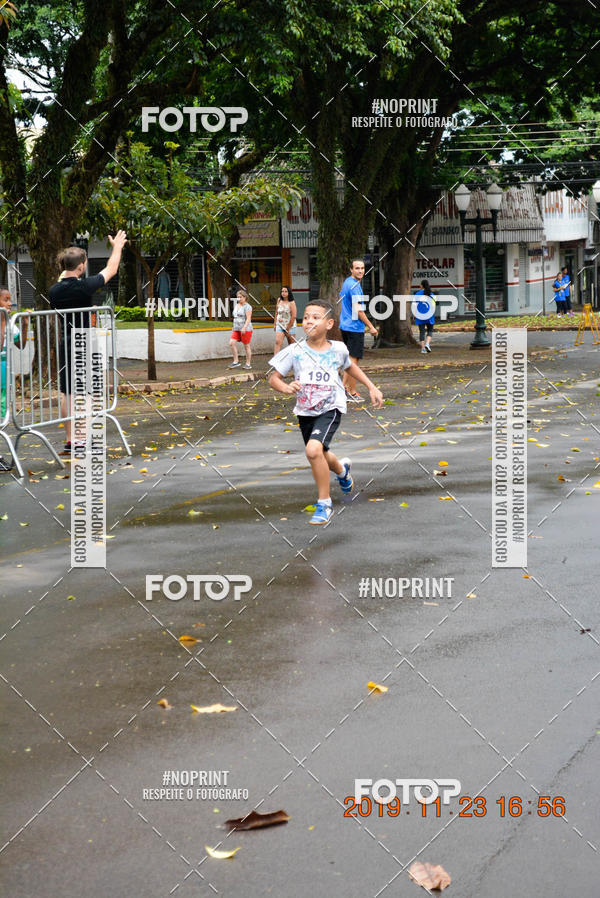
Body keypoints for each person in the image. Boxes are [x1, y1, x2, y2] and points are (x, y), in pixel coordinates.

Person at [268, 299, 383, 525]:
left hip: (331, 408)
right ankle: (342, 470)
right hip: (305, 411)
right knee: (320, 451)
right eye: (306, 317)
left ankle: (324, 503)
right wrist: (285, 387)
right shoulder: (295, 350)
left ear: (329, 323)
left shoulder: (338, 349)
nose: (309, 320)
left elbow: (351, 367)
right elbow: (273, 377)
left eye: (315, 317)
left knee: (313, 451)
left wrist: (371, 386)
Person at [49, 231, 127, 451]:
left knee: (67, 392)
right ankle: (82, 437)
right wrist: (117, 246)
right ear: (81, 267)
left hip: (65, 341)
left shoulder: (54, 290)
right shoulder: (84, 286)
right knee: (83, 393)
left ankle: (71, 438)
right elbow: (111, 269)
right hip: (83, 341)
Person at [338, 258, 378, 403]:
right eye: (357, 268)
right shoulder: (354, 286)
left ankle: (351, 391)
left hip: (346, 325)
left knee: (352, 360)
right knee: (352, 362)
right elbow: (359, 311)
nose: (360, 271)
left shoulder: (347, 282)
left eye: (362, 268)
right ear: (351, 269)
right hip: (354, 327)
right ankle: (342, 390)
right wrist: (371, 327)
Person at [0, 286, 28, 472]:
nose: (10, 303)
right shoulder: (4, 321)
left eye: (10, 299)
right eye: (6, 299)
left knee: (2, 414)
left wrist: (25, 324)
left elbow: (21, 344)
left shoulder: (11, 322)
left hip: (3, 375)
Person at [228, 287, 252, 369]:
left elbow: (248, 318)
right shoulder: (237, 305)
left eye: (240, 297)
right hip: (236, 328)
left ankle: (248, 364)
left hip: (245, 329)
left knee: (246, 346)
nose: (239, 298)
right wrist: (233, 327)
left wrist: (244, 327)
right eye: (238, 297)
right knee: (231, 343)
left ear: (245, 297)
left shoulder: (247, 307)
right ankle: (236, 361)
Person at [414, 279, 436, 354]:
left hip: (420, 315)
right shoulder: (431, 294)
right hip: (429, 315)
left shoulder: (417, 294)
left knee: (422, 332)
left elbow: (414, 305)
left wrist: (414, 314)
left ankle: (423, 349)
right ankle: (427, 344)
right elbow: (433, 306)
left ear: (422, 285)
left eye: (420, 284)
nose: (419, 286)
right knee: (430, 330)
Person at [273, 285, 297, 353]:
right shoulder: (279, 300)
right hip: (280, 324)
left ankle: (292, 361)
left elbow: (294, 316)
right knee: (277, 342)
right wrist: (275, 323)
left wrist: (288, 328)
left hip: (290, 326)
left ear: (289, 293)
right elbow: (276, 312)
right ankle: (276, 360)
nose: (283, 293)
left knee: (291, 345)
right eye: (282, 291)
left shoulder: (292, 302)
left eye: (285, 291)